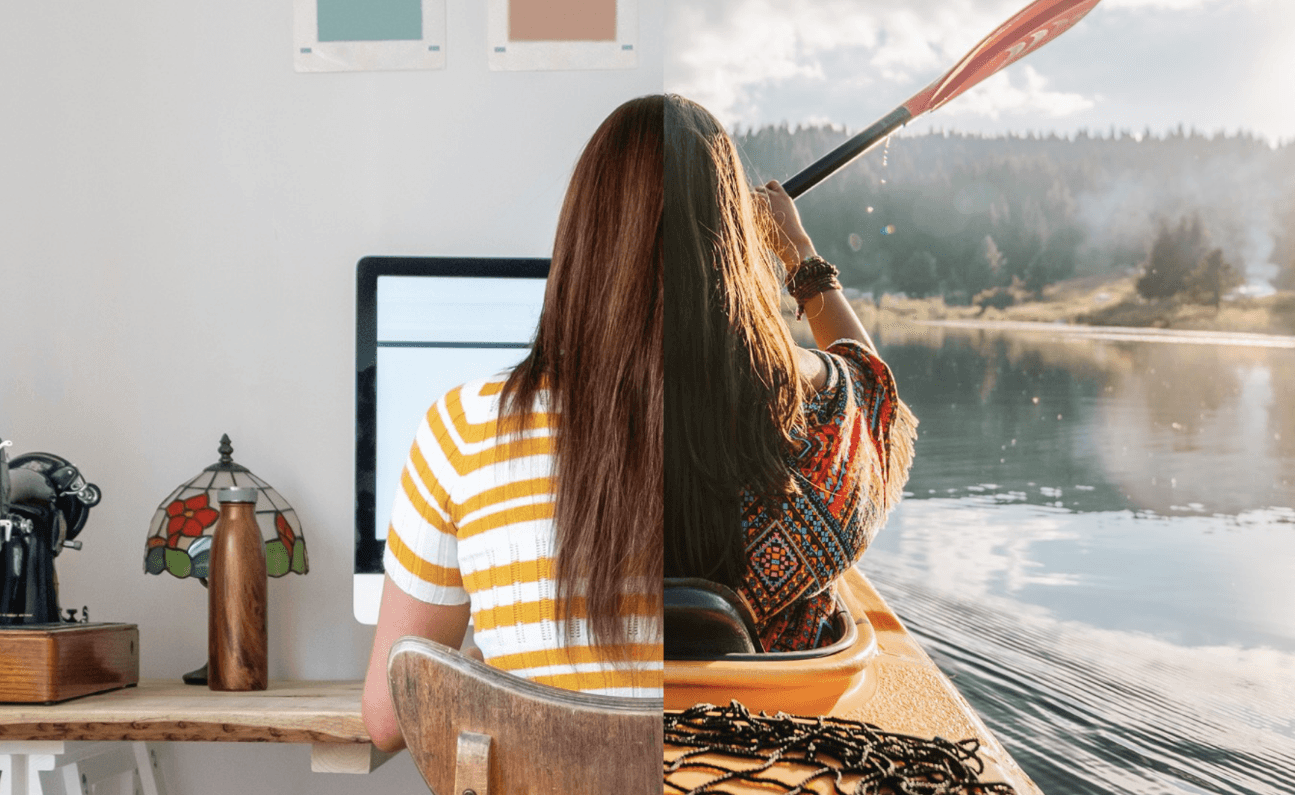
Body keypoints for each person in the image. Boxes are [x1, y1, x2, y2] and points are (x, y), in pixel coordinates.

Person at [362, 98, 663, 752]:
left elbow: (387, 718)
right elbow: (871, 409)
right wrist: (807, 268)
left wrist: (493, 666)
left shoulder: (463, 428)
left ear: (580, 242)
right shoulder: (779, 431)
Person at [664, 94, 916, 653]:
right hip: (766, 691)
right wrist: (799, 253)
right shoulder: (808, 395)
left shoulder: (519, 415)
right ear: (731, 226)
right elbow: (870, 396)